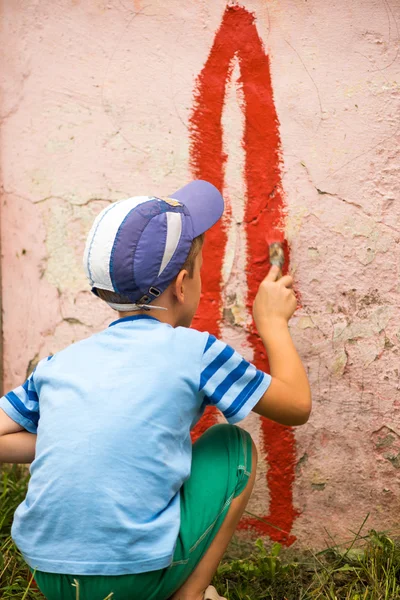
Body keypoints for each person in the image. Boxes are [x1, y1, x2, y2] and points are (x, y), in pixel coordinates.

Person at [0, 180, 311, 600]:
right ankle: (190, 595)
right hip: (134, 578)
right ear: (183, 285)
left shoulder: (63, 361)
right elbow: (295, 406)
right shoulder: (194, 351)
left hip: (51, 577)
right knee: (232, 445)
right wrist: (272, 321)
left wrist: (74, 435)